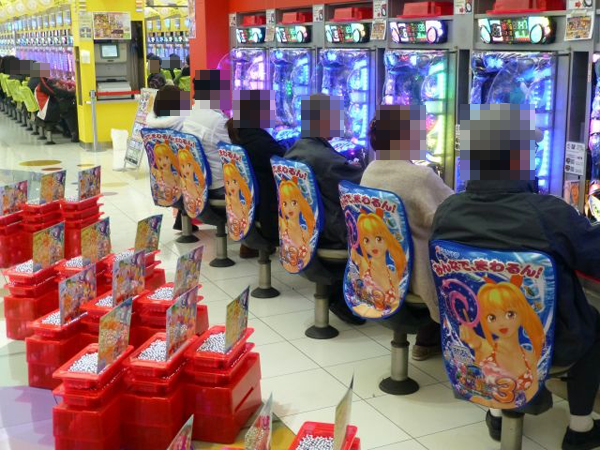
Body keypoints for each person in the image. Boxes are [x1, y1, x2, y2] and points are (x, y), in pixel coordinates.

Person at [432, 103, 600, 449]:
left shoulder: (448, 210)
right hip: (554, 343)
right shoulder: (549, 213)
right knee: (594, 323)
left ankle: (497, 412)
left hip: (475, 339)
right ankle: (581, 428)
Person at [362, 105, 453, 359]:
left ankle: (427, 338)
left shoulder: (371, 170)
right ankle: (435, 336)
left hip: (380, 269)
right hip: (415, 276)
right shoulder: (419, 177)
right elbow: (451, 216)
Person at [285, 93, 365, 324]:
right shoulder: (324, 159)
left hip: (303, 228)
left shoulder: (296, 148)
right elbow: (362, 185)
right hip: (330, 230)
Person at [225, 89, 286, 244]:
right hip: (269, 211)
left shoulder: (242, 134)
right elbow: (286, 162)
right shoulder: (261, 142)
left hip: (249, 206)